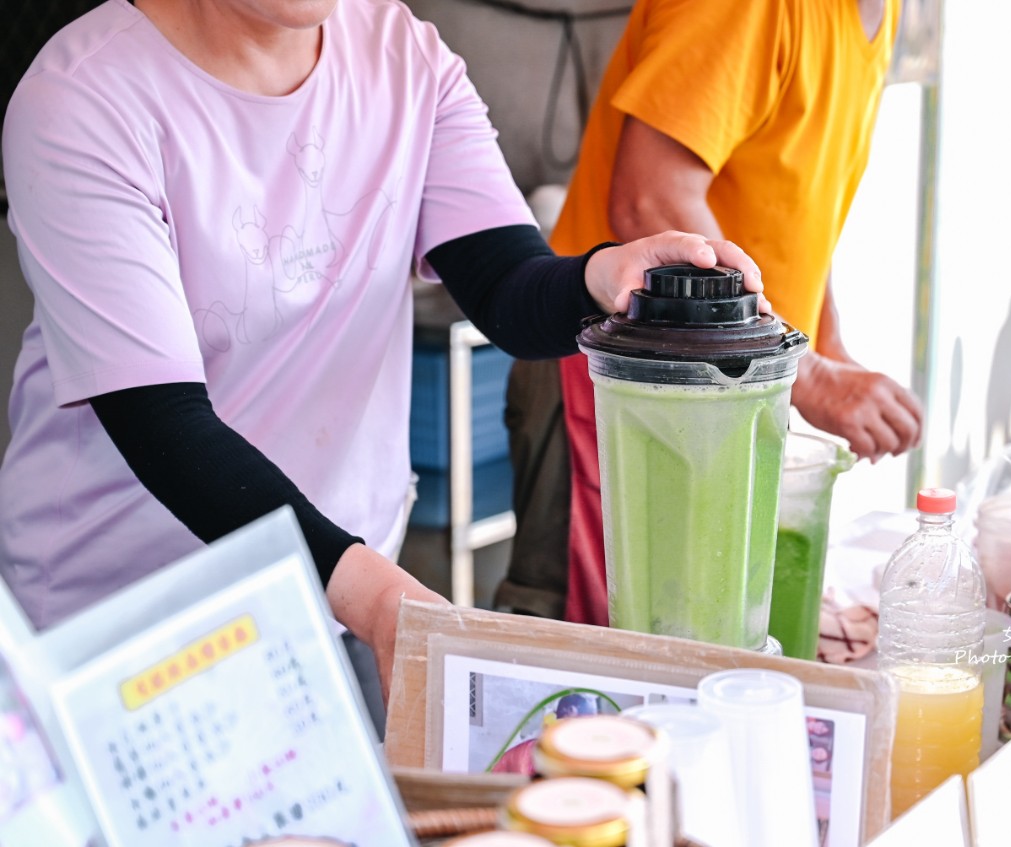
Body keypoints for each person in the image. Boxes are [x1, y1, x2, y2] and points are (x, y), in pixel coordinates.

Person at [0, 0, 763, 706]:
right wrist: (380, 599)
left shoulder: (401, 54)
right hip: (121, 630)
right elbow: (164, 425)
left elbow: (505, 286)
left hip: (327, 598)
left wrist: (604, 276)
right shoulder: (82, 100)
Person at [538, 0, 926, 626]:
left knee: (703, 638)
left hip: (727, 392)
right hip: (621, 377)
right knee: (607, 655)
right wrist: (810, 373)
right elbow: (649, 199)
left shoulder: (880, 14)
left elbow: (793, 210)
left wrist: (826, 347)